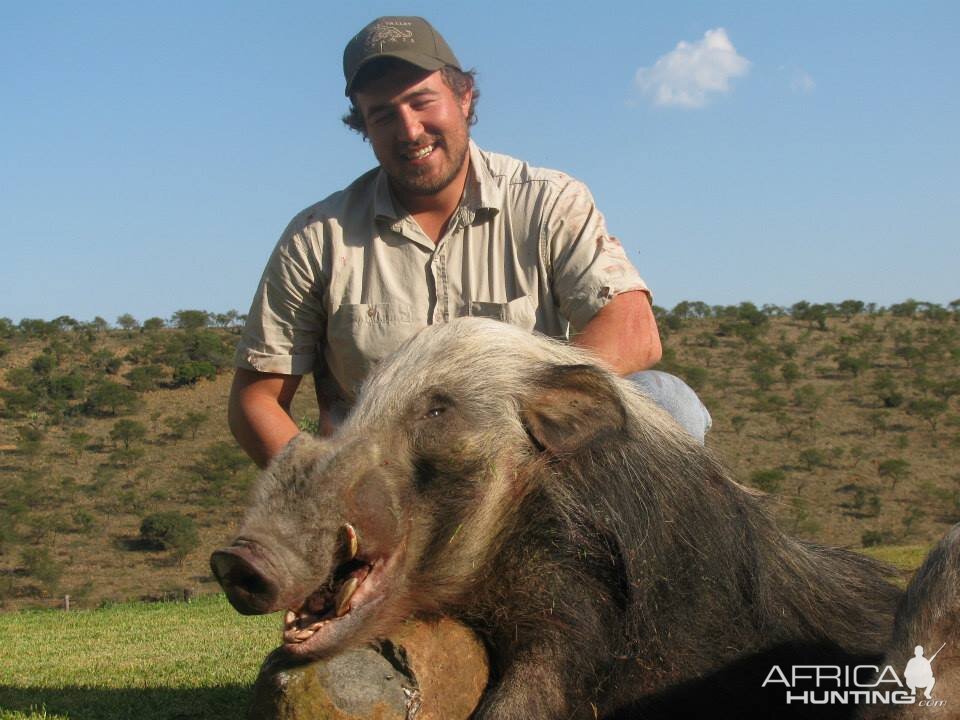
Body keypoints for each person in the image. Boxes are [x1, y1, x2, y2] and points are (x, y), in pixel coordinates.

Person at [229, 16, 711, 468]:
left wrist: (523, 422)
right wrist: (322, 491)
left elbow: (632, 330)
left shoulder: (548, 201)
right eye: (382, 115)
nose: (409, 130)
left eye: (422, 101)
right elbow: (256, 399)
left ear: (464, 97)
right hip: (389, 482)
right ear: (363, 127)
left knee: (668, 403)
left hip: (527, 460)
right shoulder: (318, 237)